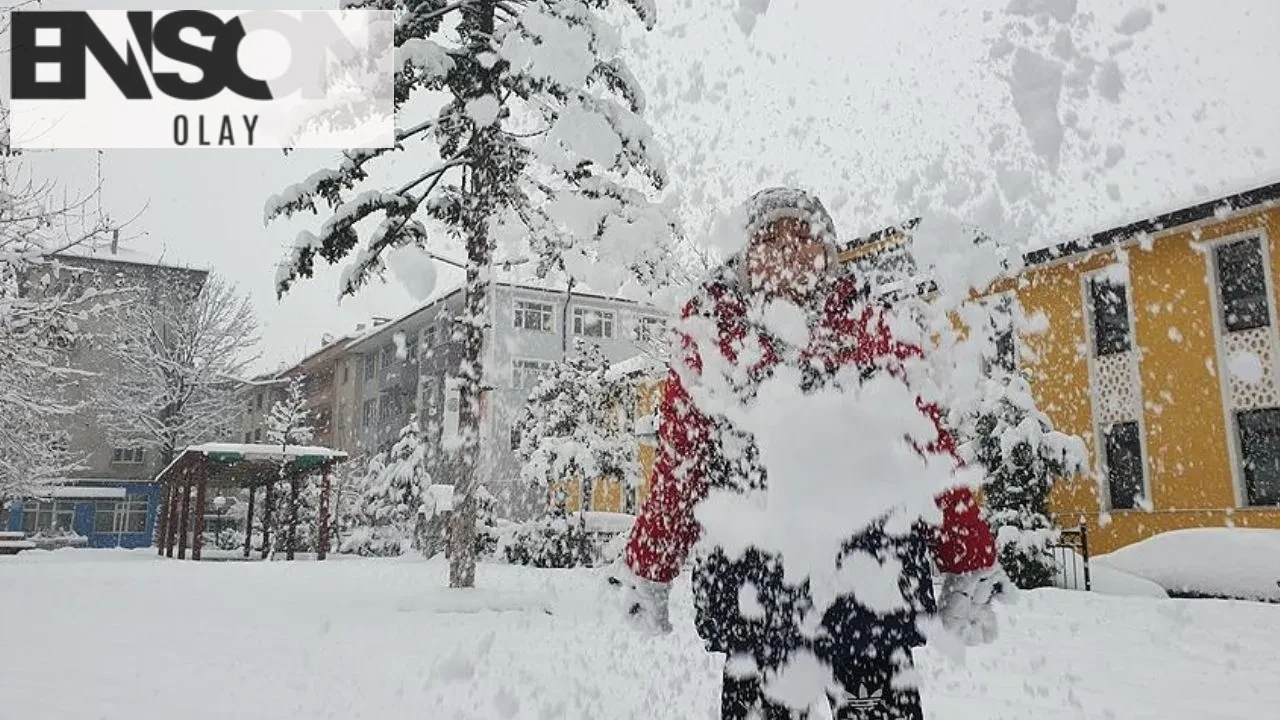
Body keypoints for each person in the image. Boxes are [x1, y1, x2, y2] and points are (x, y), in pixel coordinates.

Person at [608, 188, 1012, 720]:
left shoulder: (872, 323)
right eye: (769, 237)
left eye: (802, 236)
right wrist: (650, 566)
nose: (787, 250)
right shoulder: (712, 331)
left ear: (828, 251)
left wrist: (970, 559)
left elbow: (929, 447)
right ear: (744, 255)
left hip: (870, 589)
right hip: (755, 596)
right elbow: (680, 466)